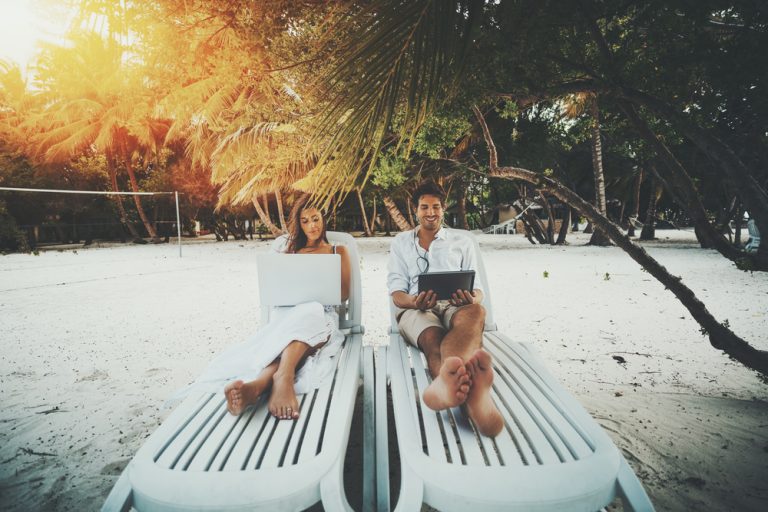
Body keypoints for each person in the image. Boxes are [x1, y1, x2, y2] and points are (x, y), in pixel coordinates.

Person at [175, 197, 351, 421]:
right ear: (300, 224)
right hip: (290, 315)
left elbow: (345, 294)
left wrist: (320, 286)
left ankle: (272, 380)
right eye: (305, 221)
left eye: (315, 219)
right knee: (290, 336)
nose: (312, 226)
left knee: (312, 311)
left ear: (324, 219)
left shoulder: (338, 250)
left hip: (321, 316)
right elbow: (275, 290)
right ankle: (259, 386)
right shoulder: (290, 253)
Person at [387, 182, 503, 437]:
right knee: (433, 338)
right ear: (415, 210)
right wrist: (414, 301)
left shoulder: (461, 241)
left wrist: (470, 298)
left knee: (476, 313)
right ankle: (473, 400)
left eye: (436, 207)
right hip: (416, 308)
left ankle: (444, 386)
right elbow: (397, 294)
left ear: (443, 208)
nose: (431, 212)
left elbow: (479, 291)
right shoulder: (402, 243)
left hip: (454, 303)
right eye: (425, 207)